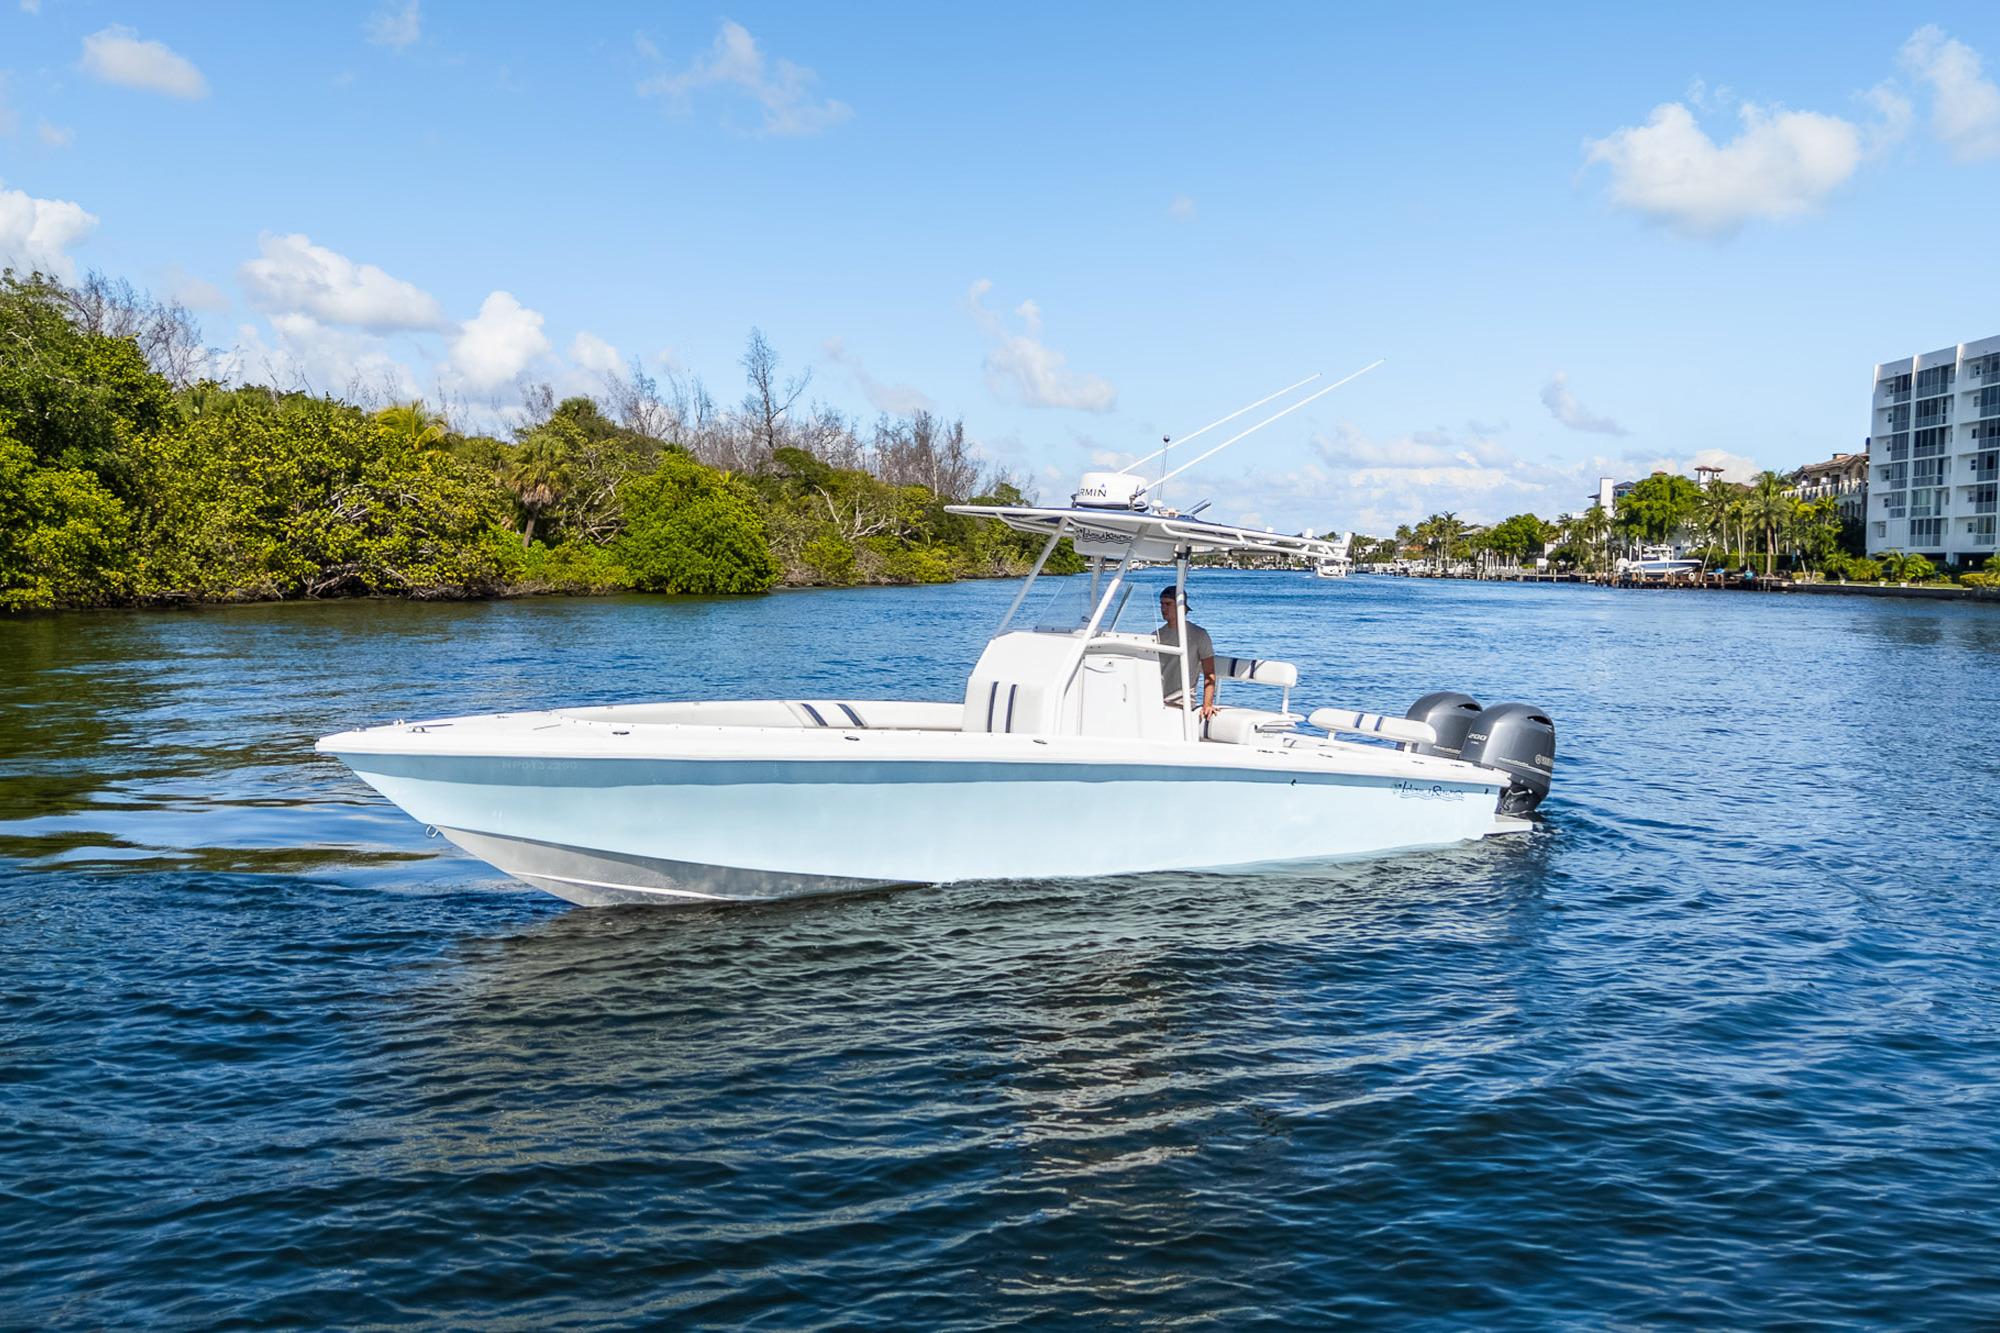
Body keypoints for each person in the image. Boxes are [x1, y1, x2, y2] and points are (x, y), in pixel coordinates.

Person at [1156, 587, 1218, 720]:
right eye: (1161, 604)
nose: (1163, 608)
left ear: (1181, 607)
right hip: (1156, 701)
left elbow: (1210, 672)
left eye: (1168, 604)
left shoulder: (1199, 635)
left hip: (1181, 703)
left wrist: (1207, 704)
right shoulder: (1157, 635)